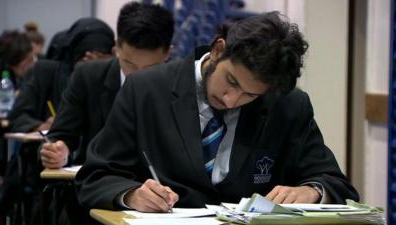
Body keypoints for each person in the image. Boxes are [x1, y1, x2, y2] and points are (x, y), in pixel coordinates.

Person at [75, 11, 359, 213]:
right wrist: (132, 195)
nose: (232, 99)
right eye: (231, 81)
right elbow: (95, 177)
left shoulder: (288, 106)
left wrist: (311, 191)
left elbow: (335, 183)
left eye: (251, 95)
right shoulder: (146, 90)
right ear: (218, 49)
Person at [40, 2, 174, 169]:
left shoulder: (178, 84)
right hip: (96, 183)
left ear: (168, 53)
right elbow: (61, 134)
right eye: (129, 64)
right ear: (117, 46)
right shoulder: (88, 76)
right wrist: (58, 152)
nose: (137, 75)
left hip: (158, 186)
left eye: (150, 68)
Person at [8, 17, 115, 133]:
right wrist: (42, 127)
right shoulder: (46, 73)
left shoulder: (115, 80)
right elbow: (17, 118)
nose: (93, 71)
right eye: (87, 64)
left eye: (102, 62)